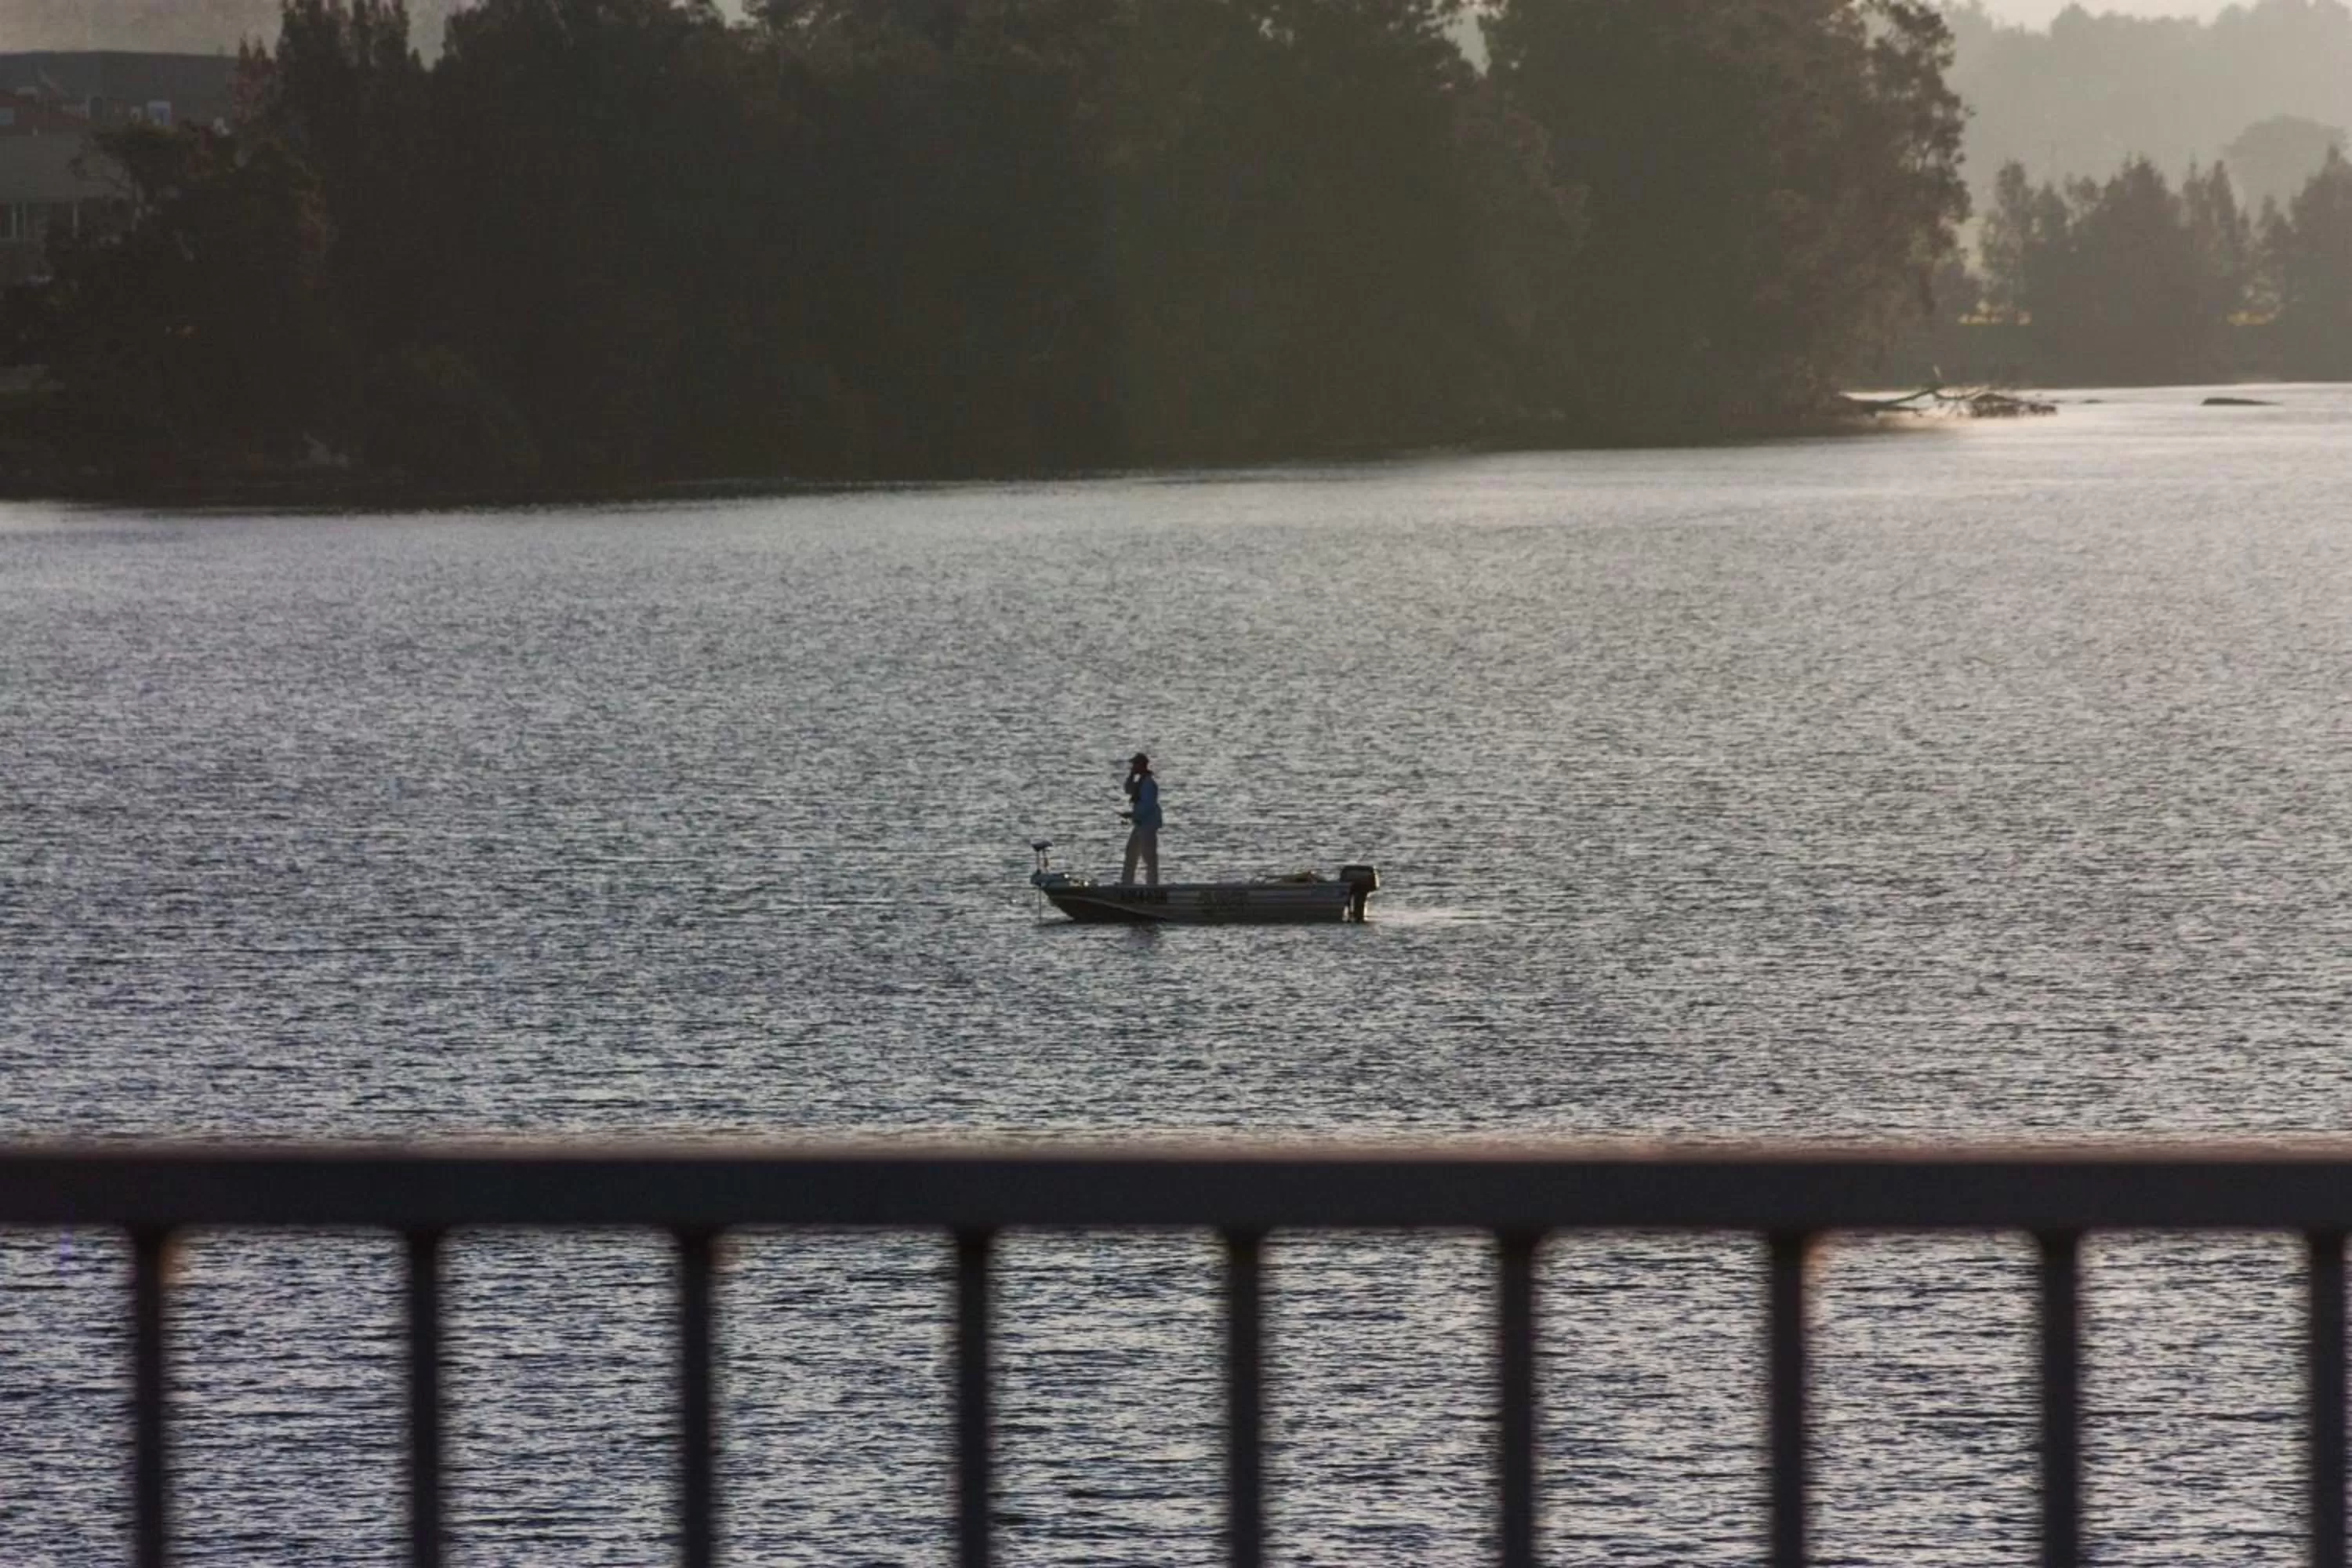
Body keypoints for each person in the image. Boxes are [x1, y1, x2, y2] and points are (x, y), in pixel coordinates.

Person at [1120, 753, 1162, 885]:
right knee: (1131, 854)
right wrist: (1131, 775)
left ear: (1141, 765)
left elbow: (1147, 807)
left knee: (1149, 857)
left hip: (1147, 826)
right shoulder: (1140, 782)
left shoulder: (1149, 784)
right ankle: (1127, 883)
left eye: (1135, 765)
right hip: (1139, 825)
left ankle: (1152, 885)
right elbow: (1128, 789)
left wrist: (1132, 815)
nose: (1133, 767)